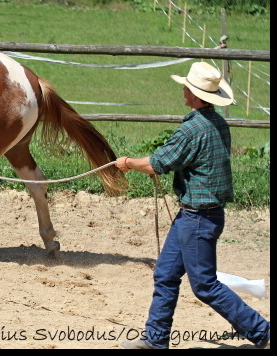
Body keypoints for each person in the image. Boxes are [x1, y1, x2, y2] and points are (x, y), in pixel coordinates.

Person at [115, 61, 270, 349]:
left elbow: (159, 163)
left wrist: (128, 163)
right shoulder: (217, 123)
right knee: (166, 274)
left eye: (186, 86)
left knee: (205, 285)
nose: (183, 90)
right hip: (198, 216)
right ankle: (155, 340)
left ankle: (262, 332)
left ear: (195, 94)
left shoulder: (192, 129)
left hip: (197, 218)